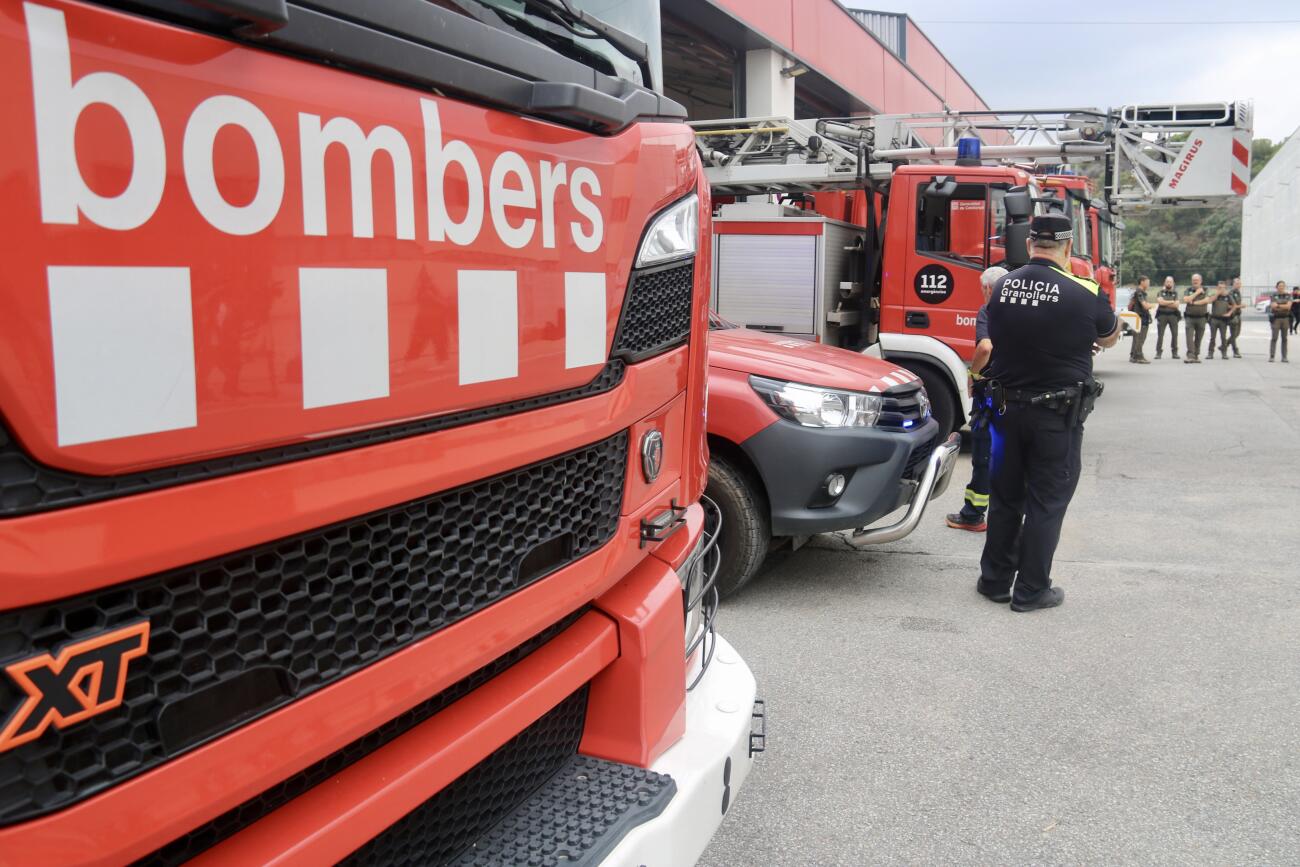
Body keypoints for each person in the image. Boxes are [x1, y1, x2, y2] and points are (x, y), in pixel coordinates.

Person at [976, 213, 1119, 612]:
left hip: (1005, 410)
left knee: (1005, 497)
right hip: (1056, 416)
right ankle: (1031, 590)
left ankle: (994, 581)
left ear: (1028, 245)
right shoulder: (1085, 291)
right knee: (1046, 502)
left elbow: (1000, 333)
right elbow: (1108, 336)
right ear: (1068, 248)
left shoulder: (1000, 287)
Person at [946, 265, 1007, 532]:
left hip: (991, 392)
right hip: (1016, 393)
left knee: (983, 452)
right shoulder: (1023, 311)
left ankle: (972, 515)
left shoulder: (989, 310)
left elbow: (985, 346)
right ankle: (1007, 516)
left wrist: (973, 373)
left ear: (987, 288)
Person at [1182, 273, 1211, 363]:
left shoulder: (1206, 289)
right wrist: (1197, 292)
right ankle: (1190, 355)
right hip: (1190, 318)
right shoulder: (1188, 290)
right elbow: (1186, 299)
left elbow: (1206, 300)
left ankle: (1196, 354)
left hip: (1202, 318)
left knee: (1199, 337)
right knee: (1189, 337)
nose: (1195, 281)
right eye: (1193, 280)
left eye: (1197, 280)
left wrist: (1193, 302)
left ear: (1200, 281)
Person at [1127, 276, 1154, 363]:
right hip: (1140, 317)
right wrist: (1152, 305)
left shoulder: (1139, 292)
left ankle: (1133, 356)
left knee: (1137, 338)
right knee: (1140, 337)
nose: (1148, 284)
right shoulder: (1139, 292)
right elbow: (1145, 306)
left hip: (1138, 317)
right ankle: (1139, 356)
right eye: (1147, 282)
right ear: (1142, 282)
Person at [1153, 276, 1181, 359]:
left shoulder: (1175, 293)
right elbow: (1160, 302)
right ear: (1164, 283)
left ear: (1173, 283)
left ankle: (1175, 352)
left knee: (1175, 334)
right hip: (1162, 315)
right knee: (1160, 335)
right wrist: (1172, 301)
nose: (1169, 283)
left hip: (1173, 315)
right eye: (1167, 282)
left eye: (1170, 282)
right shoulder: (1160, 292)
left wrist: (1165, 302)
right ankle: (1158, 352)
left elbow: (1176, 305)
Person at [1207, 279, 1234, 359]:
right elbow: (1210, 300)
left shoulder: (1227, 296)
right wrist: (1217, 293)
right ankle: (1210, 353)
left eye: (1223, 288)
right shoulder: (1214, 294)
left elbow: (1234, 305)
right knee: (1212, 337)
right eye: (1219, 287)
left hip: (1223, 319)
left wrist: (1229, 313)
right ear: (1217, 288)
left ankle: (1224, 353)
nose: (1221, 289)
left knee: (1223, 337)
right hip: (1214, 319)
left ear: (1225, 288)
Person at [1269, 280, 1292, 362]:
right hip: (1276, 319)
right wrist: (1283, 306)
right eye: (1280, 286)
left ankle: (1284, 357)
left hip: (1285, 318)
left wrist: (1278, 305)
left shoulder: (1288, 295)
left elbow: (1288, 306)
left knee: (1284, 339)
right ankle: (1272, 356)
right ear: (1277, 287)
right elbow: (1273, 306)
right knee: (1274, 338)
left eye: (1283, 285)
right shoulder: (1273, 295)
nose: (1281, 287)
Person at [1225, 277, 1245, 359]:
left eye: (1239, 284)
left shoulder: (1238, 292)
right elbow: (1229, 305)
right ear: (1233, 284)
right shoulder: (1231, 293)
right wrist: (1240, 306)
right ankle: (1235, 351)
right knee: (1234, 334)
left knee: (1237, 333)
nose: (1238, 285)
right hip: (1232, 315)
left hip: (1238, 314)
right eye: (1236, 283)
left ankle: (1224, 344)